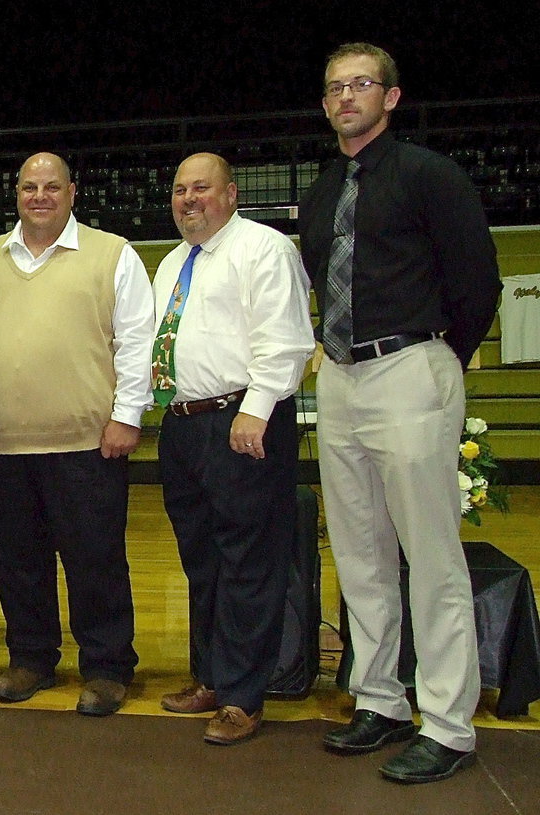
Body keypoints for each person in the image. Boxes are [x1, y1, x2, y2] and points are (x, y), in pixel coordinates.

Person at [299, 42, 501, 783]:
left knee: (432, 556)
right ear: (325, 106)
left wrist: (438, 354)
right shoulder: (323, 191)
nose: (346, 96)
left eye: (360, 84)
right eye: (334, 88)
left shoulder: (429, 175)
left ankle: (448, 723)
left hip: (412, 367)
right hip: (343, 380)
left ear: (391, 96)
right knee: (360, 553)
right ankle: (379, 699)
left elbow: (479, 278)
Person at [0, 152, 155, 716]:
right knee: (17, 558)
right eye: (28, 187)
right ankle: (31, 658)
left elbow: (137, 342)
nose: (39, 196)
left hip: (88, 441)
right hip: (7, 442)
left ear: (73, 191)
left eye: (51, 187)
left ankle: (108, 665)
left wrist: (127, 416)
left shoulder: (112, 254)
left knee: (95, 559)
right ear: (15, 194)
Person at [152, 153, 314, 744]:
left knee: (250, 560)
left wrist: (256, 410)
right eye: (179, 189)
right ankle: (212, 678)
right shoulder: (172, 262)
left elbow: (288, 339)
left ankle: (244, 697)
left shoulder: (265, 250)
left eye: (202, 188)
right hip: (184, 424)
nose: (189, 199)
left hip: (245, 418)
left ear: (231, 193)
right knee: (203, 561)